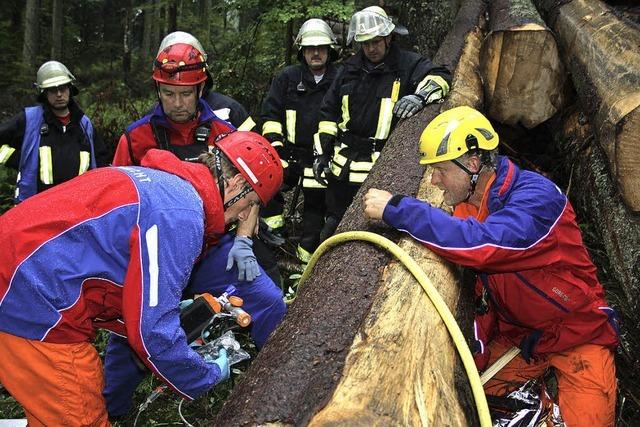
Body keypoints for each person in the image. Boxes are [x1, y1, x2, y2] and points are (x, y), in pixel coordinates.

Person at [0, 131, 283, 426]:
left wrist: (174, 312)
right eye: (250, 203)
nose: (245, 216)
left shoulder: (166, 186)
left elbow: (110, 275)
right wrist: (205, 374)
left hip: (21, 280)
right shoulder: (182, 215)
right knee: (80, 415)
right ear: (235, 183)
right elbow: (153, 334)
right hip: (31, 301)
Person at [362, 106, 619, 426]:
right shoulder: (469, 207)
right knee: (474, 406)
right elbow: (481, 288)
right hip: (521, 337)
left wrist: (399, 210)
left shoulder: (536, 200)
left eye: (440, 169)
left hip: (577, 333)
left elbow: (481, 247)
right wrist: (478, 350)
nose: (434, 180)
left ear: (472, 164)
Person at [112, 31, 269, 284]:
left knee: (267, 298)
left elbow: (250, 193)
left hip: (214, 247)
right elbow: (116, 200)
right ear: (157, 90)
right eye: (168, 93)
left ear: (201, 89)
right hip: (153, 250)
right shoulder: (135, 139)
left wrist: (243, 240)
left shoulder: (225, 135)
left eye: (185, 94)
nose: (176, 103)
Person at [314, 6, 451, 240]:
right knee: (332, 229)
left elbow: (441, 77)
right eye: (365, 43)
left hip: (379, 168)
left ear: (388, 37)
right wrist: (321, 153)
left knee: (369, 232)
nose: (371, 48)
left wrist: (419, 96)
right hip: (341, 170)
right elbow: (328, 114)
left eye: (376, 41)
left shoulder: (406, 65)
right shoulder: (349, 70)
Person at [261, 18, 340, 268]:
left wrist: (328, 154)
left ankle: (305, 263)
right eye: (309, 48)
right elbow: (271, 114)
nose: (315, 53)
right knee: (265, 184)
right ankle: (273, 238)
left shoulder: (341, 78)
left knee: (315, 211)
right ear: (302, 51)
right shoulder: (288, 78)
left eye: (321, 48)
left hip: (323, 158)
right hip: (290, 154)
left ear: (330, 49)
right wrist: (276, 147)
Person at [0, 60, 108, 202]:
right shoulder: (30, 120)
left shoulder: (84, 124)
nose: (58, 94)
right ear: (44, 93)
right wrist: (19, 159)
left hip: (78, 207)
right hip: (36, 207)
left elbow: (102, 164)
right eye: (52, 89)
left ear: (70, 89)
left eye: (62, 88)